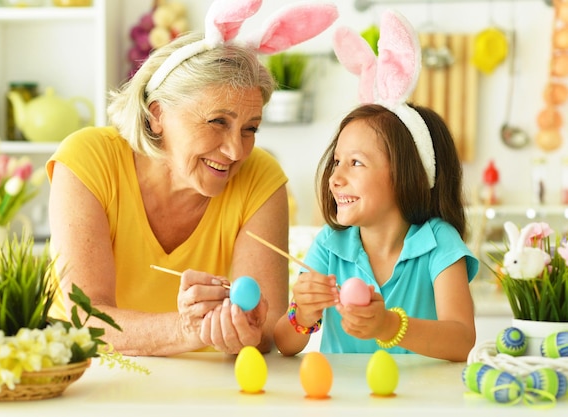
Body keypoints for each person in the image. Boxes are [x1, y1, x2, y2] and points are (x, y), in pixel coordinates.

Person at [45, 0, 338, 356]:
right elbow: (86, 319)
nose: (235, 151)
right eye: (218, 121)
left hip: (205, 382)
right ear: (157, 115)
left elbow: (267, 330)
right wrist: (187, 330)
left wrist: (250, 327)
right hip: (86, 373)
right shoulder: (88, 159)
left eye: (250, 128)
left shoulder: (261, 178)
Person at [273, 10, 479, 362]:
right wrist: (302, 315)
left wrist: (388, 326)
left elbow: (461, 340)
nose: (336, 177)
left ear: (405, 174)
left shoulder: (437, 242)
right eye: (337, 161)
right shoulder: (331, 244)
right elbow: (284, 343)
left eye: (356, 162)